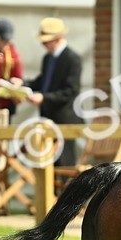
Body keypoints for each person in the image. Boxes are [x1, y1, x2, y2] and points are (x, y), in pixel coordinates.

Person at [26, 17, 82, 166]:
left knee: (64, 164)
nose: (43, 44)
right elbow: (43, 81)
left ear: (58, 38)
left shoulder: (72, 59)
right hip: (47, 119)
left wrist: (44, 98)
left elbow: (70, 91)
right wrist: (23, 84)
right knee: (47, 164)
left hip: (64, 120)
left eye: (46, 41)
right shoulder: (47, 58)